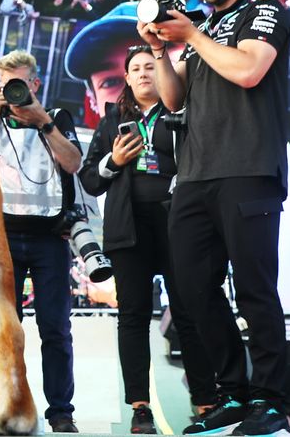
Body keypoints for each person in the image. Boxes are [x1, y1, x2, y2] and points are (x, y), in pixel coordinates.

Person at [138, 0, 290, 436]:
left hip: (248, 169)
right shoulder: (201, 26)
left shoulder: (262, 11)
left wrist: (193, 38)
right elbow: (172, 100)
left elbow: (248, 70)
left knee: (253, 289)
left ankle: (270, 401)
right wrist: (161, 51)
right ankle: (233, 393)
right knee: (192, 290)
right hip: (196, 175)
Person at [77, 46, 217, 434]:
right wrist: (114, 162)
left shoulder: (182, 114)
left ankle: (206, 401)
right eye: (135, 69)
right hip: (128, 228)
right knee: (133, 315)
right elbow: (90, 179)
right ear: (127, 78)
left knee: (189, 312)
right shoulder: (112, 121)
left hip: (179, 224)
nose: (142, 74)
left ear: (163, 74)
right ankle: (140, 407)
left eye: (150, 67)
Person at [0, 50, 82, 433]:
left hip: (50, 239)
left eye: (18, 84)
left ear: (34, 84)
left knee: (55, 327)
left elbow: (73, 162)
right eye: (3, 85)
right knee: (4, 329)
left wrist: (44, 123)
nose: (11, 92)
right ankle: (4, 406)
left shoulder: (57, 117)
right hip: (2, 238)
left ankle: (60, 412)